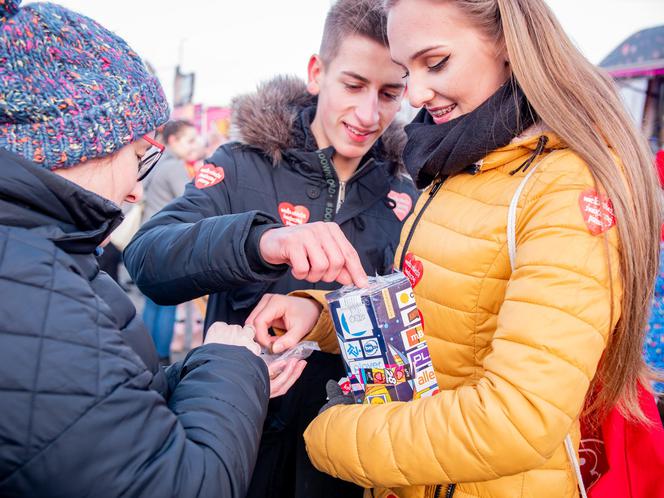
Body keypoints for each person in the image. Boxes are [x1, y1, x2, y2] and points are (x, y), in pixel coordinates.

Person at [247, 0, 662, 497]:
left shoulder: (564, 187)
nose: (416, 94)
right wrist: (319, 315)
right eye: (406, 70)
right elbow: (442, 317)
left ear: (507, 42)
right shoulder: (469, 159)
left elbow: (516, 418)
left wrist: (333, 436)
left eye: (435, 62)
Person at [0, 1, 304, 497]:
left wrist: (208, 368)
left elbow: (102, 409)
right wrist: (228, 367)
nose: (136, 190)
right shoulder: (27, 286)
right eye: (139, 156)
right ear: (77, 144)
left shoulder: (42, 257)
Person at [123, 1, 417, 495]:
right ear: (316, 72)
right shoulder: (240, 165)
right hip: (242, 438)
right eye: (353, 85)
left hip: (347, 453)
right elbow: (148, 257)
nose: (370, 114)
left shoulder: (405, 191)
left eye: (390, 93)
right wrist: (260, 240)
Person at [140, 119, 199, 364]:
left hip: (149, 240)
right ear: (173, 140)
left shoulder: (156, 160)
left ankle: (145, 353)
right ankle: (161, 358)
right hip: (165, 243)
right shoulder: (174, 167)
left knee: (152, 304)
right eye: (190, 140)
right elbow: (193, 202)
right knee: (166, 304)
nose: (195, 146)